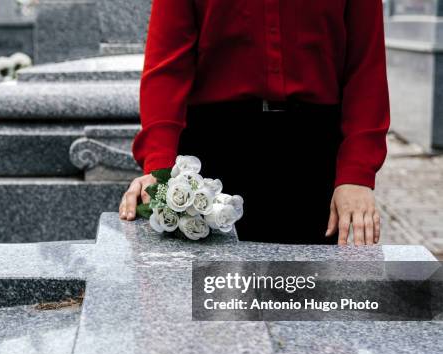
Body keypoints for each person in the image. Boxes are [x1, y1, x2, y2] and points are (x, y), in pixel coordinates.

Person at [119, 0, 389, 246]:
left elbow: (366, 68)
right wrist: (160, 170)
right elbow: (167, 67)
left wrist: (356, 174)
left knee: (308, 290)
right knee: (215, 291)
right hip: (214, 154)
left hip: (313, 155)